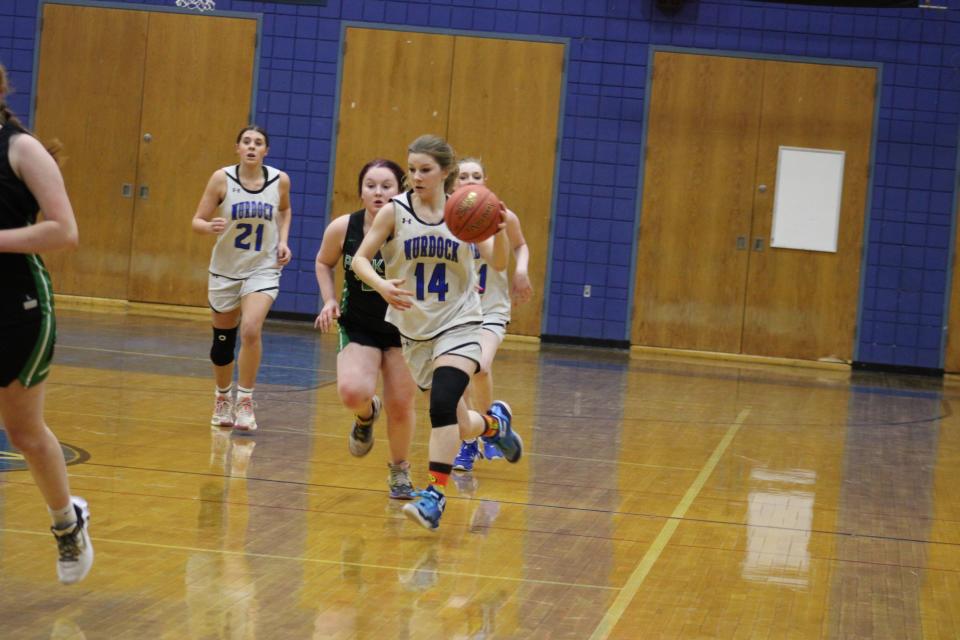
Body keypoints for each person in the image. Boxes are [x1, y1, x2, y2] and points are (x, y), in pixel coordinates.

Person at [351, 134, 523, 530]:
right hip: (414, 329)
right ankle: (494, 425)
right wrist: (381, 285)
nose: (415, 177)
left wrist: (498, 234)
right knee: (462, 424)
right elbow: (361, 260)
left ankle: (434, 496)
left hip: (460, 320)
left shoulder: (464, 212)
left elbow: (496, 263)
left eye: (424, 170)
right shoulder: (394, 212)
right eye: (411, 169)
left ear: (446, 172)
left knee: (442, 402)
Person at [0, 63, 92, 584]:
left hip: (16, 303)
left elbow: (64, 231)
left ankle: (66, 522)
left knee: (23, 430)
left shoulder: (21, 148)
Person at [314, 158, 418, 499]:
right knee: (352, 393)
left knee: (401, 404)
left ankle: (399, 471)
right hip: (359, 324)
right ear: (360, 191)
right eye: (371, 185)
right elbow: (323, 262)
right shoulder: (344, 227)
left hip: (404, 328)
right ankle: (366, 415)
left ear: (400, 191)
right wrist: (329, 300)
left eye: (387, 186)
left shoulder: (414, 229)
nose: (378, 192)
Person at [191, 126, 292, 432]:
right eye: (246, 142)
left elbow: (285, 211)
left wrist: (283, 241)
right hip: (225, 270)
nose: (252, 146)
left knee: (250, 329)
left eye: (258, 142)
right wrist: (209, 227)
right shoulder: (221, 178)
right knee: (223, 343)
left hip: (262, 268)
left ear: (266, 151)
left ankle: (245, 401)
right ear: (237, 148)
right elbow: (197, 221)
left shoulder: (279, 180)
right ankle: (222, 397)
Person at [451, 158, 534, 472]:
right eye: (463, 176)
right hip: (455, 312)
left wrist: (521, 271)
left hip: (491, 309)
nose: (469, 180)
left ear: (485, 180)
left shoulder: (501, 215)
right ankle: (474, 440)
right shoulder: (445, 217)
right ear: (453, 183)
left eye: (476, 175)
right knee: (458, 377)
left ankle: (488, 428)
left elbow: (521, 245)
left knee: (480, 368)